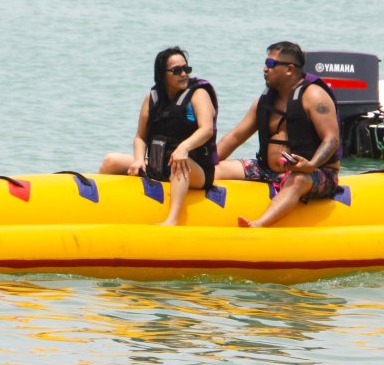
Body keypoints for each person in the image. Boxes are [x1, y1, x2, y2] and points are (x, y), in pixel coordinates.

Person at [214, 41, 341, 228]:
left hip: (315, 172)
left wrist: (311, 165)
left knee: (297, 180)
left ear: (289, 69)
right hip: (267, 169)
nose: (265, 69)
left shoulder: (314, 96)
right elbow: (234, 137)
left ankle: (259, 225)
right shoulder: (265, 101)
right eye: (265, 64)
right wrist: (207, 162)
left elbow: (332, 140)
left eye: (271, 64)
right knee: (218, 169)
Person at [98, 47, 218, 226]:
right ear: (163, 75)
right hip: (158, 164)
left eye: (187, 69)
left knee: (178, 163)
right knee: (111, 160)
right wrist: (139, 160)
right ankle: (98, 208)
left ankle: (172, 219)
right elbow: (140, 136)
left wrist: (183, 148)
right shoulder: (152, 97)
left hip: (195, 169)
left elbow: (207, 129)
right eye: (177, 70)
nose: (184, 74)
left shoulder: (198, 94)